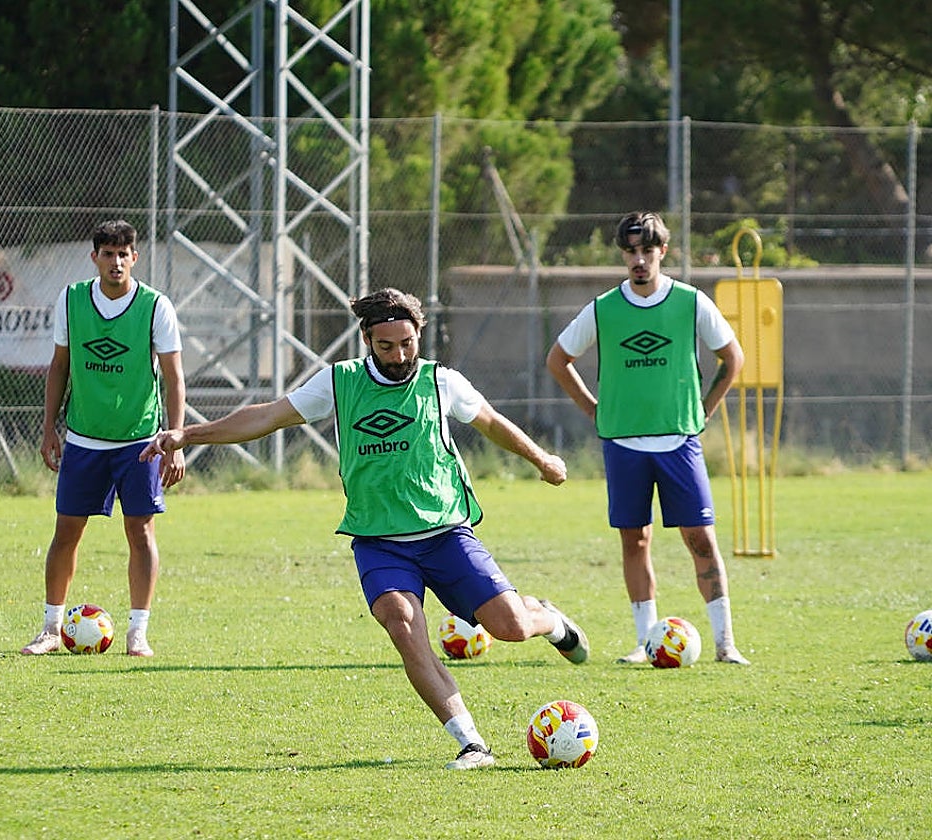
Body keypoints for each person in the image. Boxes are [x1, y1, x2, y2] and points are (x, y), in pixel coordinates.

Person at [139, 287, 589, 770]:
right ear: (366, 340)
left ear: (420, 335)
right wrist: (188, 433)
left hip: (445, 533)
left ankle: (549, 618)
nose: (399, 356)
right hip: (379, 542)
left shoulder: (443, 381)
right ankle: (471, 742)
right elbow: (266, 417)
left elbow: (491, 422)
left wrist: (541, 459)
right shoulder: (339, 382)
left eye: (408, 344)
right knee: (402, 622)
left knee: (512, 627)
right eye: (387, 346)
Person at [546, 210, 750, 665]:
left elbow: (732, 358)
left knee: (701, 538)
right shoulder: (603, 308)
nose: (639, 260)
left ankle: (725, 643)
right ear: (623, 255)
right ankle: (644, 642)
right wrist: (596, 412)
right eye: (630, 252)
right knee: (634, 541)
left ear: (663, 251)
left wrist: (703, 410)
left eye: (647, 251)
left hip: (679, 442)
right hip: (623, 445)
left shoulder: (691, 302)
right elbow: (558, 360)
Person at [21, 220, 185, 658]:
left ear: (135, 257)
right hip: (84, 439)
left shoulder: (155, 306)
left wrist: (175, 438)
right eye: (107, 253)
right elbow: (59, 366)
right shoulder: (72, 300)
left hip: (140, 441)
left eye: (123, 253)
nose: (116, 261)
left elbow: (173, 375)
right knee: (67, 531)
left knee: (141, 530)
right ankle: (51, 628)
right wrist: (48, 427)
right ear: (94, 257)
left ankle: (138, 632)